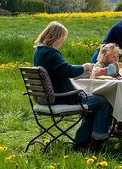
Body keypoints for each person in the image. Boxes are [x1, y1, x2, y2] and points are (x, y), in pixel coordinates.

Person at [32, 21, 113, 150]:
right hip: (62, 96)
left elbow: (61, 70)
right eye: (62, 38)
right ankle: (97, 141)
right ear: (54, 37)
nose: (62, 42)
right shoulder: (51, 53)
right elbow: (67, 70)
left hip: (47, 96)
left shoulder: (39, 52)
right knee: (103, 101)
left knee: (93, 103)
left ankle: (81, 143)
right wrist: (85, 67)